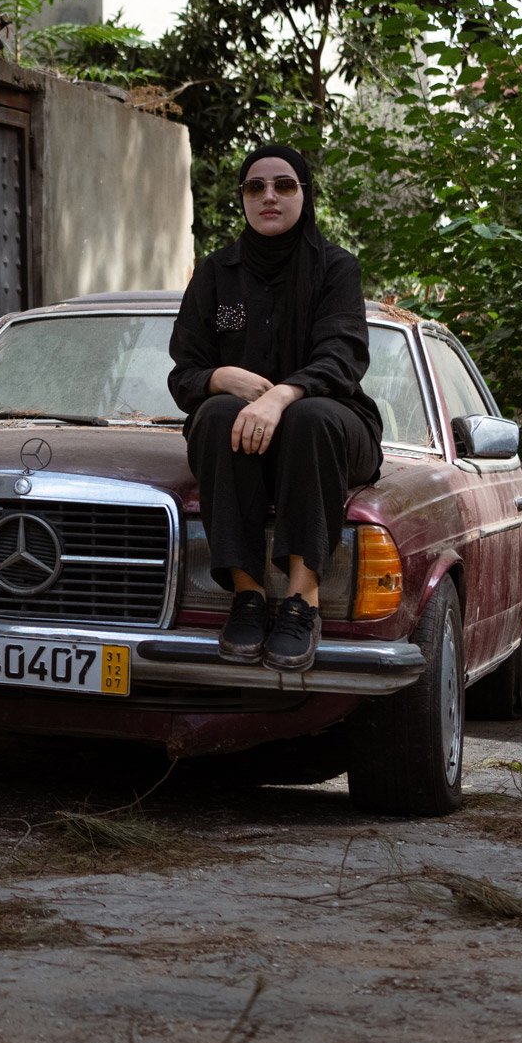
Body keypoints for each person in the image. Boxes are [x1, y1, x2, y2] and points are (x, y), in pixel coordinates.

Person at [166, 144, 384, 671]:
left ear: (303, 196)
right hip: (241, 435)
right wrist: (220, 377)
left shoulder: (336, 268)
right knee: (215, 413)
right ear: (241, 197)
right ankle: (247, 594)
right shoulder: (217, 274)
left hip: (332, 424)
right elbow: (184, 371)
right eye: (255, 186)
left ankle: (302, 599)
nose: (269, 196)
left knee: (310, 417)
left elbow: (342, 357)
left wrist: (281, 395)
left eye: (283, 185)